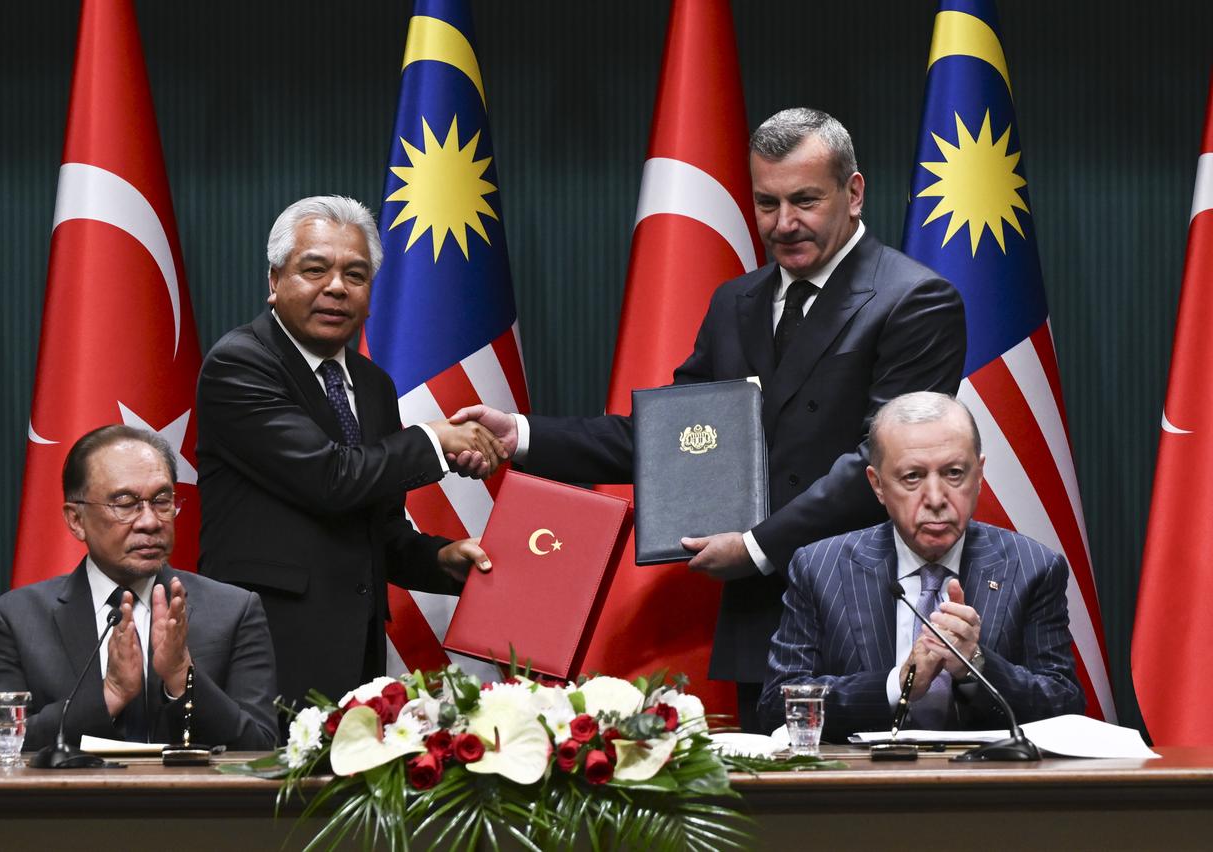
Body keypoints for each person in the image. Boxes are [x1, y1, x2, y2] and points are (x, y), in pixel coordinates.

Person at [451, 109, 967, 731]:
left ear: (854, 193)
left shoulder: (915, 299)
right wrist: (524, 435)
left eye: (805, 200)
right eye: (767, 203)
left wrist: (755, 547)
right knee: (774, 823)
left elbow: (884, 466)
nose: (785, 224)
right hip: (763, 625)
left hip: (866, 610)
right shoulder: (736, 302)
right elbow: (677, 440)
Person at [196, 195, 504, 710]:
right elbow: (330, 478)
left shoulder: (372, 384)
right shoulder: (240, 364)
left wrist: (438, 559)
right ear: (274, 282)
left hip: (355, 657)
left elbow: (375, 526)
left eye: (355, 275)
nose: (336, 287)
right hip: (263, 650)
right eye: (315, 269)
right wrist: (434, 441)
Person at [758, 392, 1084, 738]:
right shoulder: (820, 568)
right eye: (912, 477)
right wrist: (897, 685)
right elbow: (779, 707)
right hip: (862, 787)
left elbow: (1064, 706)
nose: (935, 498)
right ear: (878, 485)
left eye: (954, 473)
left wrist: (975, 665)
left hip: (987, 786)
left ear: (980, 475)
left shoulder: (1033, 567)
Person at [0, 426, 278, 750]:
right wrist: (110, 695)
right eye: (125, 503)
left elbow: (260, 747)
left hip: (192, 802)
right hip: (70, 801)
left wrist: (182, 678)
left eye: (162, 501)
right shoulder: (16, 619)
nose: (150, 521)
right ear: (76, 519)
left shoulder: (235, 611)